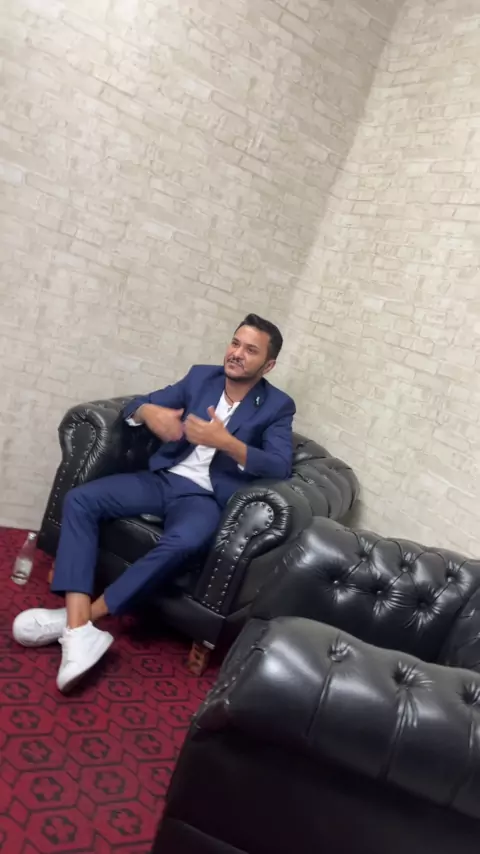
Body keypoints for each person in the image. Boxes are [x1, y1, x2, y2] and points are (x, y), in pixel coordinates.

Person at [12, 314, 295, 692]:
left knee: (184, 542)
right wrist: (149, 412)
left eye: (250, 350)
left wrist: (226, 442)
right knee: (81, 500)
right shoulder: (201, 377)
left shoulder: (276, 406)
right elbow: (139, 404)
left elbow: (279, 465)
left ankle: (78, 621)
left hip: (204, 498)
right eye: (235, 343)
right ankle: (79, 629)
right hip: (163, 480)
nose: (237, 353)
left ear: (268, 365)